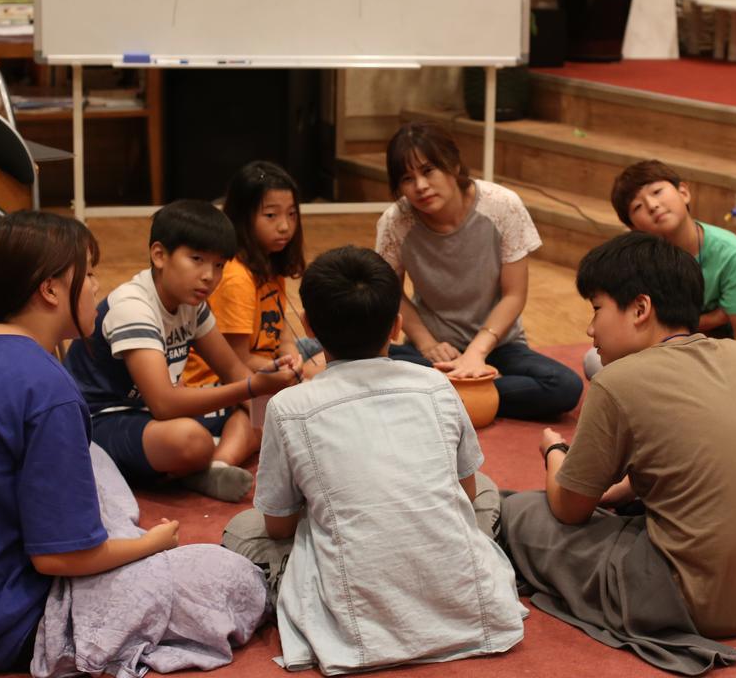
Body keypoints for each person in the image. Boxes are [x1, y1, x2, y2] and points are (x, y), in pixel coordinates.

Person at [0, 211, 267, 676]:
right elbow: (59, 557)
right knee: (234, 578)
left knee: (95, 457)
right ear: (50, 290)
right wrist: (153, 544)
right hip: (3, 623)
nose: (95, 287)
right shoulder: (46, 385)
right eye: (87, 275)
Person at [502, 232, 736, 671]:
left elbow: (568, 509)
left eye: (596, 309)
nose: (590, 328)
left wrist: (554, 450)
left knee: (520, 511)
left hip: (702, 603)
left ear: (640, 308)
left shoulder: (618, 382)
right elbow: (699, 454)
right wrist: (623, 489)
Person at [222, 246, 525, 675]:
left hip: (356, 622)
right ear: (397, 327)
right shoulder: (436, 385)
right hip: (465, 604)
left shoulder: (288, 406)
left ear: (308, 326)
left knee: (243, 529)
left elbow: (279, 526)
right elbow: (468, 491)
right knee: (487, 490)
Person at [65, 199, 296, 502]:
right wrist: (253, 387)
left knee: (259, 414)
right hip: (101, 422)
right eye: (197, 259)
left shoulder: (191, 305)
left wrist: (264, 393)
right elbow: (164, 404)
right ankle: (194, 463)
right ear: (159, 255)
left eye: (218, 265)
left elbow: (233, 371)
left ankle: (215, 467)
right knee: (191, 439)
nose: (209, 276)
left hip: (153, 417)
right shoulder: (133, 306)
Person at [375, 121, 582, 420]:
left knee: (564, 386)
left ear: (454, 164)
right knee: (359, 358)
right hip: (435, 352)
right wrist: (428, 344)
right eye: (407, 179)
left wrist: (476, 353)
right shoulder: (395, 222)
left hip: (498, 345)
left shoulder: (502, 205)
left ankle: (440, 392)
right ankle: (472, 392)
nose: (420, 186)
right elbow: (390, 291)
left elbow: (514, 294)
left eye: (429, 171)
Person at [583, 159, 736, 377]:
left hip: (725, 356)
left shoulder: (732, 254)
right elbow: (637, 326)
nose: (652, 205)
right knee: (595, 362)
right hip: (671, 350)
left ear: (684, 192)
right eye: (637, 206)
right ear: (633, 228)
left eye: (657, 191)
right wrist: (716, 317)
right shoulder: (636, 260)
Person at [182, 161, 320, 393]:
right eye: (271, 215)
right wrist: (294, 373)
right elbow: (237, 360)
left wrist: (294, 360)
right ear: (243, 217)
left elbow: (280, 330)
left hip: (267, 362)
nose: (285, 226)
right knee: (335, 368)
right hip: (220, 382)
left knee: (343, 347)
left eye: (292, 214)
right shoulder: (237, 277)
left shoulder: (269, 261)